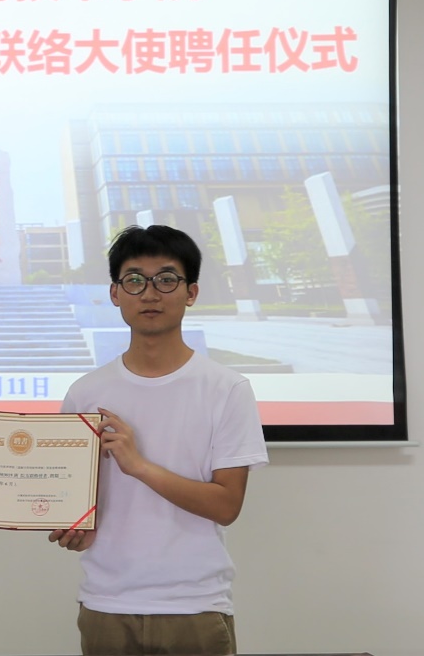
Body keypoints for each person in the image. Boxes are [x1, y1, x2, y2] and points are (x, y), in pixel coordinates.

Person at [49, 224, 268, 656]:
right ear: (115, 294)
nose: (149, 293)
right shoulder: (85, 393)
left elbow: (226, 505)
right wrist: (74, 526)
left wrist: (140, 466)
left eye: (166, 279)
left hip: (195, 607)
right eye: (134, 280)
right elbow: (72, 499)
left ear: (191, 292)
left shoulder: (226, 389)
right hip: (106, 604)